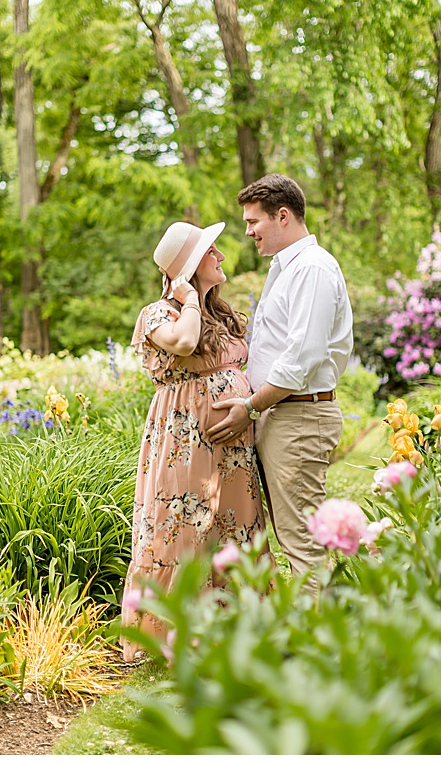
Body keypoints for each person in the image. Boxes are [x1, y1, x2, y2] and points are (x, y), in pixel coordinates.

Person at [120, 221, 265, 661]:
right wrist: (186, 298)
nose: (221, 257)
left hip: (233, 442)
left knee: (236, 522)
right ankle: (174, 636)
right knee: (184, 523)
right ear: (186, 267)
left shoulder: (221, 313)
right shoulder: (160, 313)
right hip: (186, 437)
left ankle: (239, 626)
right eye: (211, 251)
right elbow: (184, 343)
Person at [207, 174, 353, 581]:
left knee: (303, 544)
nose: (249, 231)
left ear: (282, 216)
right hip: (282, 414)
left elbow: (301, 358)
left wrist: (250, 407)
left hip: (299, 417)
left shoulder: (312, 269)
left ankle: (315, 642)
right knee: (294, 540)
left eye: (253, 222)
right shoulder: (286, 268)